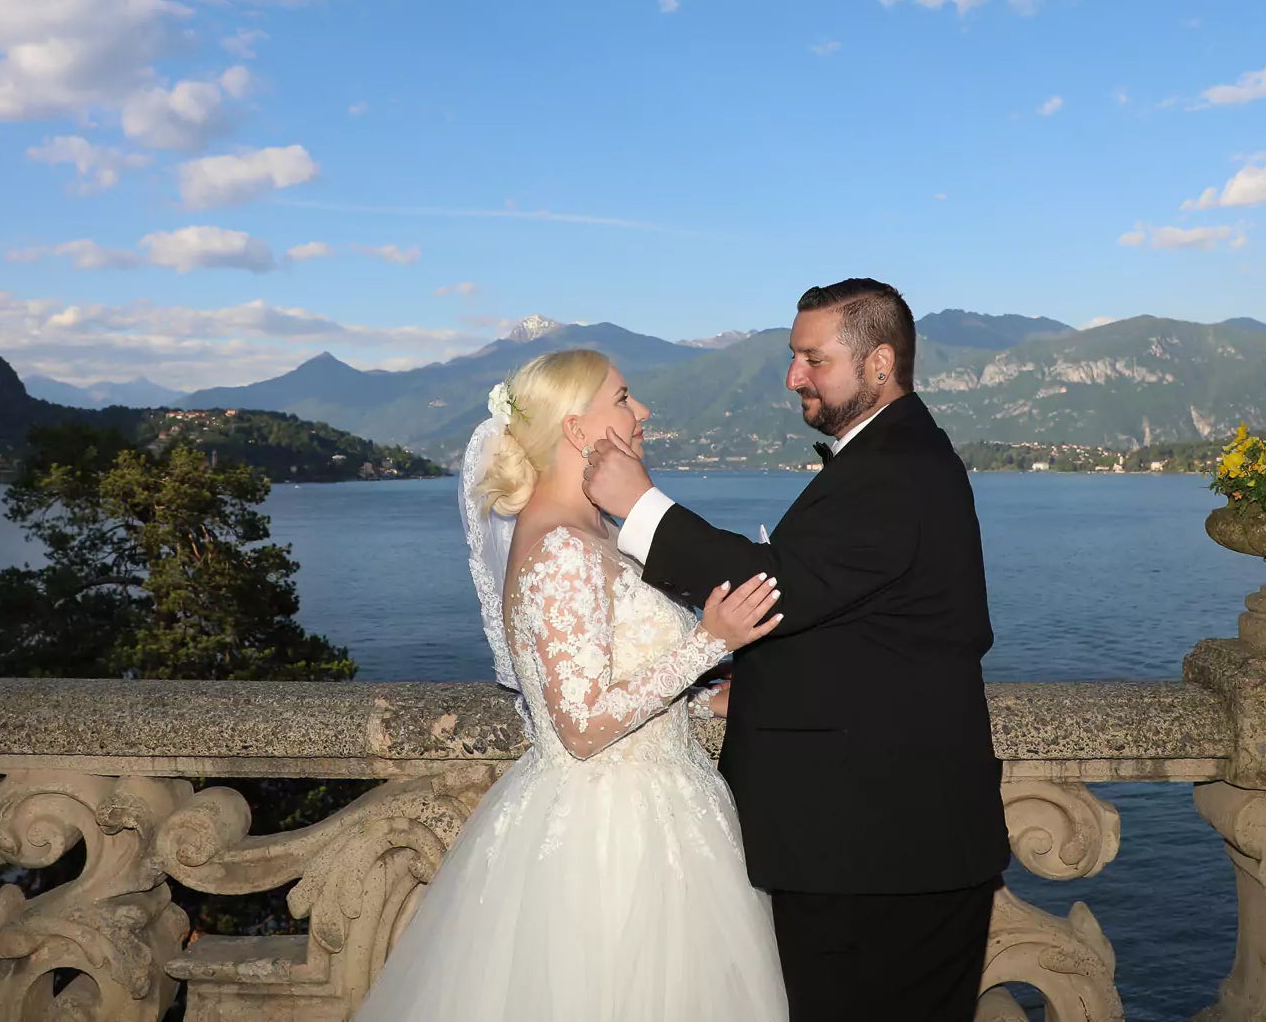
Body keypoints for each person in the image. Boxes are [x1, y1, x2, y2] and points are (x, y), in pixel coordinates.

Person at [585, 278, 1008, 1022]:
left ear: (880, 363)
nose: (792, 376)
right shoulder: (891, 456)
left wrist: (640, 506)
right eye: (793, 356)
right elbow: (860, 627)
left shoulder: (897, 467)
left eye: (814, 359)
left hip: (882, 854)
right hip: (876, 844)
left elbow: (779, 587)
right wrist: (748, 685)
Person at [355, 348, 789, 1022]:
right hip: (611, 837)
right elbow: (582, 726)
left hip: (664, 807)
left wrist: (706, 699)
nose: (643, 410)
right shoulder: (561, 547)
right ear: (576, 428)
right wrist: (711, 641)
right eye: (624, 397)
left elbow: (614, 673)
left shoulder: (596, 530)